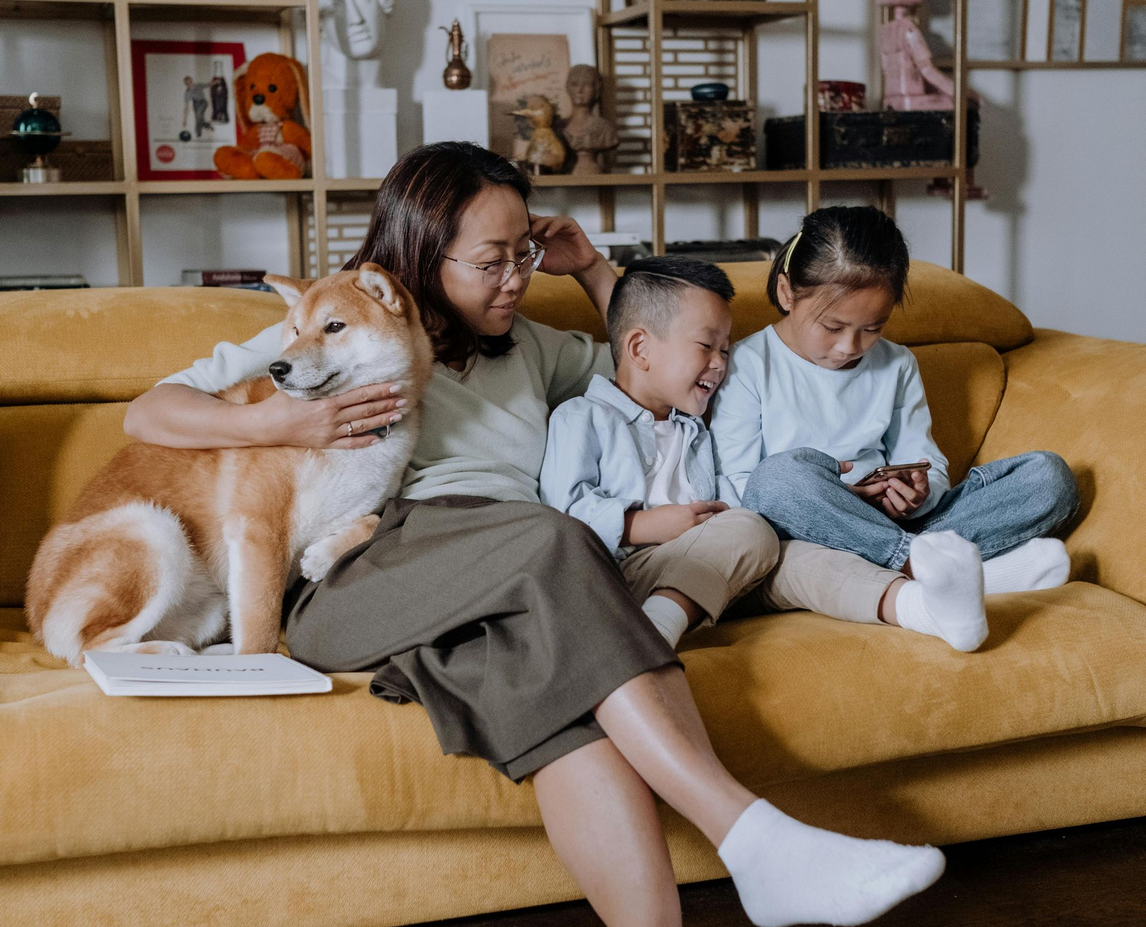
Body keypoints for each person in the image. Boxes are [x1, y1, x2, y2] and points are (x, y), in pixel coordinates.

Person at [124, 145, 944, 927]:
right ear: (419, 257)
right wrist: (283, 419)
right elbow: (149, 411)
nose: (517, 278)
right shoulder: (342, 326)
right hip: (363, 574)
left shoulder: (529, 350)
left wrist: (590, 268)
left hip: (492, 591)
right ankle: (755, 839)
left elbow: (653, 355)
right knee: (557, 539)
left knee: (575, 730)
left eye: (524, 253)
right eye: (492, 261)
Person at [543, 254, 990, 655]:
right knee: (751, 528)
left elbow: (730, 499)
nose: (721, 363)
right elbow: (562, 517)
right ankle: (656, 629)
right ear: (639, 348)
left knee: (797, 557)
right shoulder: (581, 416)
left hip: (723, 568)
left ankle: (924, 607)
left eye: (725, 348)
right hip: (627, 575)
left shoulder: (694, 429)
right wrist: (643, 524)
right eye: (706, 346)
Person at [711, 205, 1080, 655]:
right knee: (779, 476)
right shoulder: (749, 364)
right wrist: (844, 502)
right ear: (787, 292)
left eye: (872, 328)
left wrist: (921, 491)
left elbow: (927, 460)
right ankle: (927, 566)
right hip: (807, 532)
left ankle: (919, 561)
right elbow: (745, 489)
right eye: (833, 326)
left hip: (893, 524)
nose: (850, 347)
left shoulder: (897, 363)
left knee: (1049, 476)